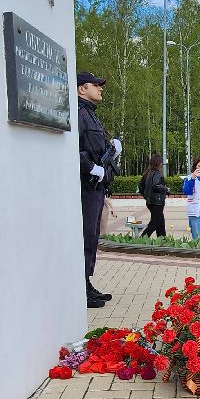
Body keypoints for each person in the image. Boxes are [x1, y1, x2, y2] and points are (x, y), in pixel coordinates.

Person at [77, 71, 118, 308]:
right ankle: (81, 287)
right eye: (96, 85)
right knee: (85, 236)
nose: (100, 88)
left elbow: (95, 149)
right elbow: (75, 149)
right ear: (82, 89)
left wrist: (111, 150)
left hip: (95, 186)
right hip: (86, 185)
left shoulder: (91, 114)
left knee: (92, 236)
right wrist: (91, 167)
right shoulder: (79, 113)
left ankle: (86, 282)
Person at [139, 153, 169, 237]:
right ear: (159, 163)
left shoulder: (147, 173)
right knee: (155, 222)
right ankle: (142, 238)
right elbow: (156, 185)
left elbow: (140, 186)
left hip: (150, 202)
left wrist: (146, 195)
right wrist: (166, 189)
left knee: (160, 222)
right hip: (157, 202)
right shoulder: (157, 173)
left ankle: (162, 239)